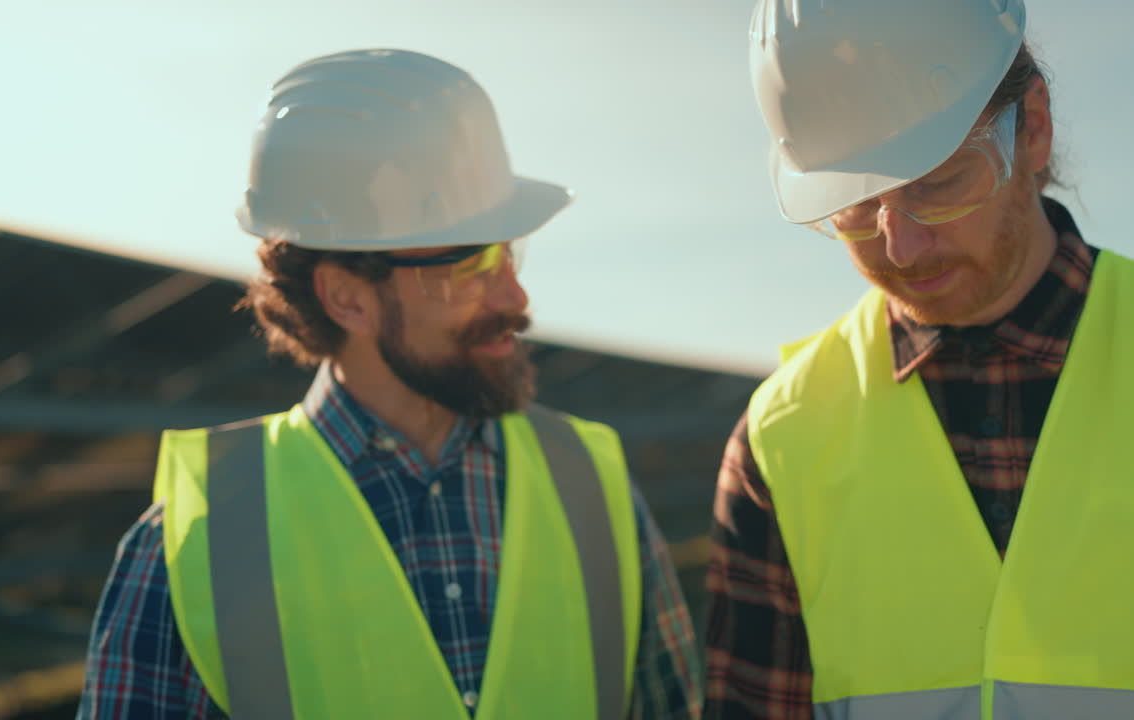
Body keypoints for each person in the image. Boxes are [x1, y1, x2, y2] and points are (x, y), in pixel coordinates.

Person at [78, 48, 701, 720]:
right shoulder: (193, 540)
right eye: (472, 264)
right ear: (348, 298)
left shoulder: (594, 488)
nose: (516, 295)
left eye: (509, 252)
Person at [703, 0, 1134, 717]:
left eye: (939, 182)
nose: (899, 246)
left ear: (1034, 128)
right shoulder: (781, 437)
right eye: (854, 204)